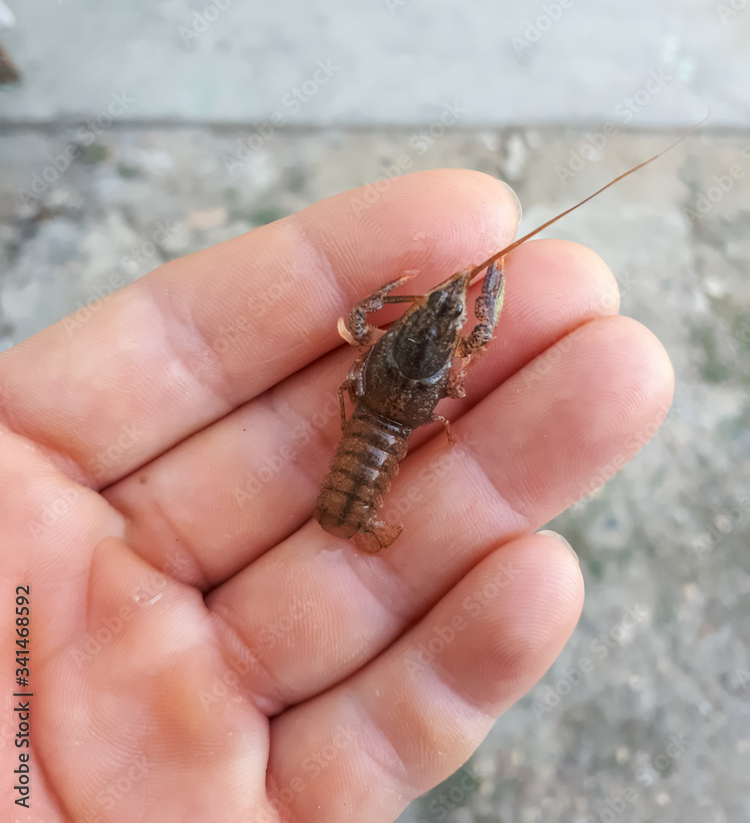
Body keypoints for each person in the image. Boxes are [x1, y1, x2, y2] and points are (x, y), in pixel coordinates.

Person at [1, 169, 673, 821]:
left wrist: (400, 306)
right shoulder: (448, 358)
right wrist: (463, 319)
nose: (448, 310)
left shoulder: (381, 343)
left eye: (448, 311)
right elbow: (464, 354)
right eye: (445, 309)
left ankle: (356, 508)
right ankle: (357, 514)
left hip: (374, 432)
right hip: (384, 437)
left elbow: (357, 326)